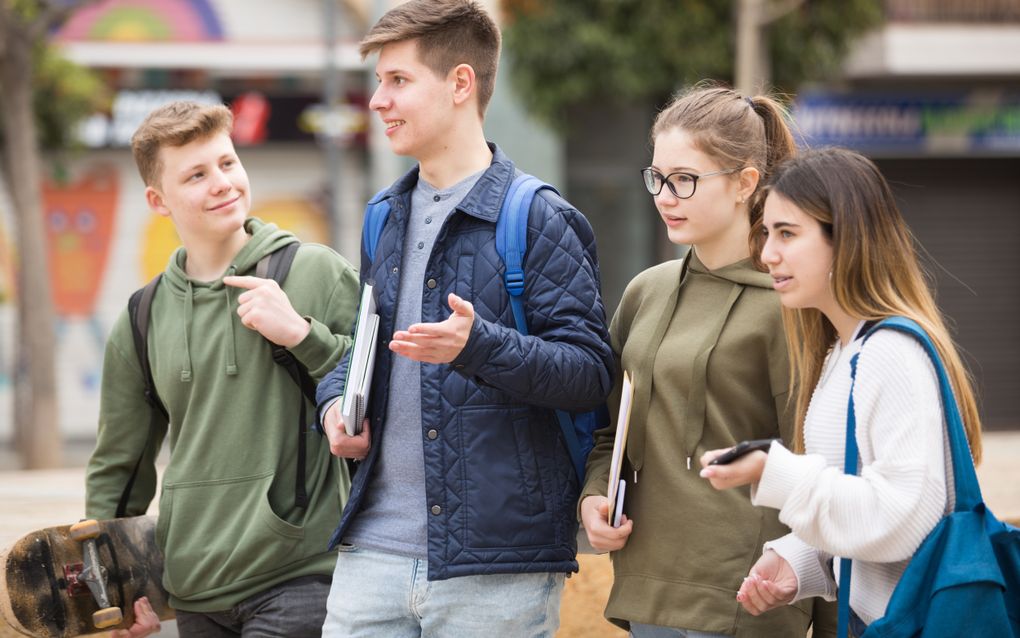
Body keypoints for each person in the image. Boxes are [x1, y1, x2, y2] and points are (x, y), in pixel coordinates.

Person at [314, 1, 613, 635]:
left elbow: (590, 373)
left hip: (496, 570)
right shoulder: (383, 217)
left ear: (459, 84)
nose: (377, 100)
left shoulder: (537, 217)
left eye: (398, 81)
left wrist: (477, 346)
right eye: (378, 82)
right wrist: (336, 405)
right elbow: (362, 348)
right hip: (371, 553)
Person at [86, 101, 360, 637]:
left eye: (228, 163)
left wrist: (303, 335)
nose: (222, 183)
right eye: (197, 174)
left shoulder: (313, 272)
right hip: (193, 587)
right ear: (157, 201)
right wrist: (116, 587)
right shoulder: (142, 317)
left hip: (300, 576)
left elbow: (380, 390)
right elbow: (119, 467)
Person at [699, 147, 983, 637]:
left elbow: (903, 517)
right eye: (767, 233)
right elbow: (868, 514)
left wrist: (777, 471)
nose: (768, 253)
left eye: (788, 233)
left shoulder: (889, 352)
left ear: (846, 239)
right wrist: (800, 563)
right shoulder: (842, 353)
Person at [578, 84, 825, 637]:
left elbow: (819, 471)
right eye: (657, 178)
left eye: (684, 180)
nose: (664, 195)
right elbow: (607, 429)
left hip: (747, 595)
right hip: (648, 586)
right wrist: (594, 496)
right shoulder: (647, 291)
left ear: (745, 183)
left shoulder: (790, 305)